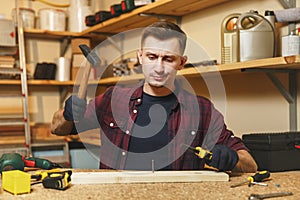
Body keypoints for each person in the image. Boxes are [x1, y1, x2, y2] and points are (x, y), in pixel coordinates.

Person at [51, 21, 257, 172]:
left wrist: (231, 160)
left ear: (181, 62)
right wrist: (67, 114)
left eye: (168, 59)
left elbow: (250, 164)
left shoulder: (202, 109)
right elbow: (57, 128)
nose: (158, 67)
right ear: (141, 56)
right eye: (152, 57)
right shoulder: (114, 98)